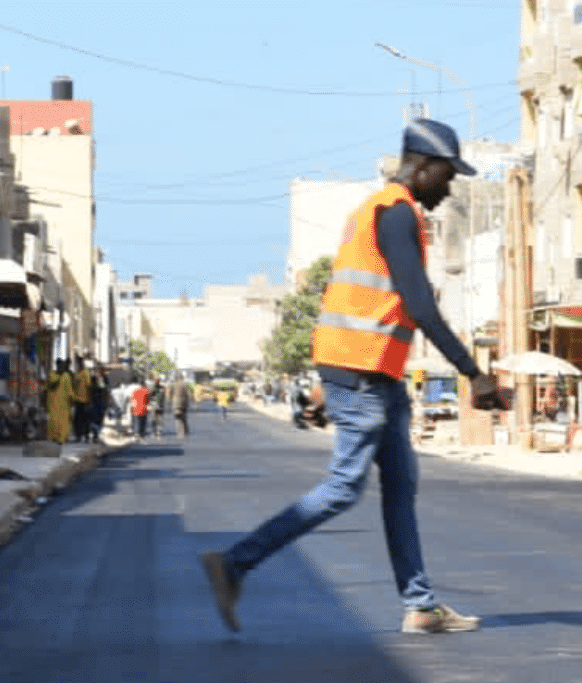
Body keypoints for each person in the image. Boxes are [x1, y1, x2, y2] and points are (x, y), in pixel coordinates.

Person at [199, 118, 504, 636]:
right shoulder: (393, 213)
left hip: (374, 371)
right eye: (448, 175)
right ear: (423, 168)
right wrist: (473, 372)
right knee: (343, 488)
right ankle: (234, 565)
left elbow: (357, 302)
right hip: (362, 374)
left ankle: (421, 604)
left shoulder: (378, 213)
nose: (450, 188)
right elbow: (419, 304)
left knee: (401, 486)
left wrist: (325, 378)